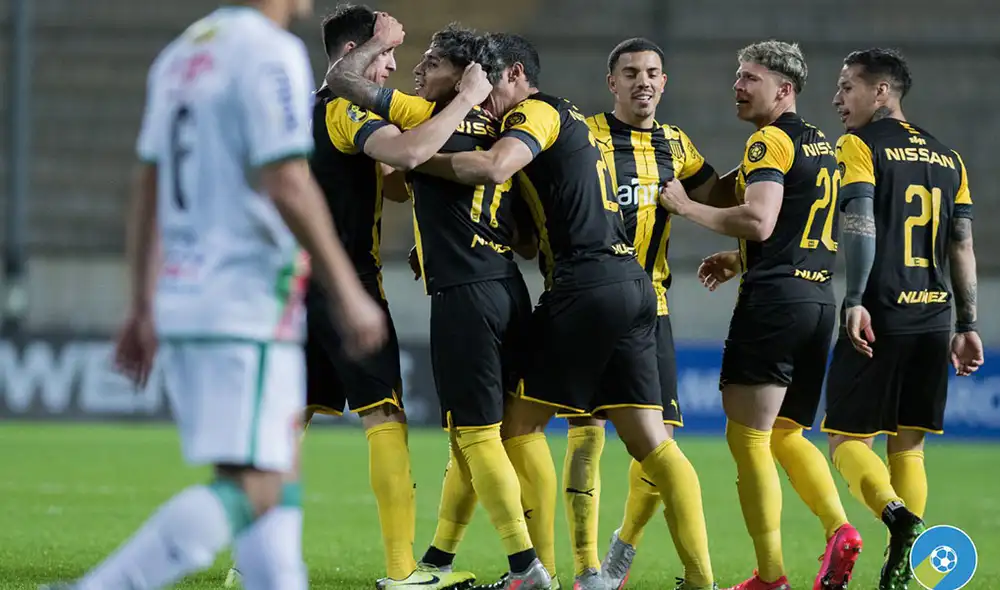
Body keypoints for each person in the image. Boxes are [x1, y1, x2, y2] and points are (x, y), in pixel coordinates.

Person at [41, 0, 388, 588]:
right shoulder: (271, 53)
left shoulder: (181, 55)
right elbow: (287, 181)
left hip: (190, 295)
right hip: (244, 303)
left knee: (278, 474)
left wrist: (142, 303)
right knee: (257, 487)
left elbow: (148, 182)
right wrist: (347, 292)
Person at [413, 32, 718, 590]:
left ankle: (537, 574)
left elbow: (495, 166)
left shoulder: (536, 112)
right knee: (653, 444)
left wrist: (417, 159)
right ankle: (701, 579)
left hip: (583, 286)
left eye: (487, 85)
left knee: (514, 429)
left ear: (514, 75)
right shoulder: (575, 121)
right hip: (632, 284)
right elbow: (531, 237)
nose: (482, 100)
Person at [237, 6, 488, 589]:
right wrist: (464, 103)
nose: (394, 68)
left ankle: (249, 563)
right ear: (355, 52)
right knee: (385, 414)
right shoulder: (345, 109)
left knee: (291, 419)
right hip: (346, 281)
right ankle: (402, 571)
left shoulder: (302, 110)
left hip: (294, 287)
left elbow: (391, 185)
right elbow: (407, 155)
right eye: (388, 54)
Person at [327, 22, 551, 590]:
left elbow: (341, 79)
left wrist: (378, 52)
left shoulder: (421, 113)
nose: (418, 69)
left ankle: (526, 567)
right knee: (486, 437)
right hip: (508, 288)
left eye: (431, 61)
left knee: (476, 437)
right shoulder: (505, 127)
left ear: (465, 73)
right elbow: (525, 237)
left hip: (462, 298)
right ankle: (442, 557)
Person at [658, 40, 860, 590]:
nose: (738, 86)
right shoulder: (822, 143)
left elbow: (760, 219)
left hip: (774, 304)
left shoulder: (769, 141)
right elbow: (795, 224)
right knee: (787, 433)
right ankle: (840, 528)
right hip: (817, 300)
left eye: (751, 78)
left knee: (748, 438)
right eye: (738, 76)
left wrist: (687, 207)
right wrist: (739, 259)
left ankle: (770, 576)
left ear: (784, 89)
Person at [563, 37, 724, 590]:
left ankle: (622, 549)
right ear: (612, 83)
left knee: (661, 442)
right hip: (589, 305)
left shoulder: (676, 145)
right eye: (631, 73)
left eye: (652, 72)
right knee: (586, 432)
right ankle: (585, 568)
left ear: (664, 82)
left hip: (652, 308)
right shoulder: (584, 136)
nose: (643, 81)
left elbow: (719, 195)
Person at [824, 47, 982, 590]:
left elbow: (860, 219)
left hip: (881, 313)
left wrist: (855, 298)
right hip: (934, 318)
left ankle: (897, 517)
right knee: (909, 447)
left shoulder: (860, 145)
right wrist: (967, 325)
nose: (838, 98)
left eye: (847, 86)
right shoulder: (950, 158)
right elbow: (961, 245)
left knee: (846, 441)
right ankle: (903, 567)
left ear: (881, 92)